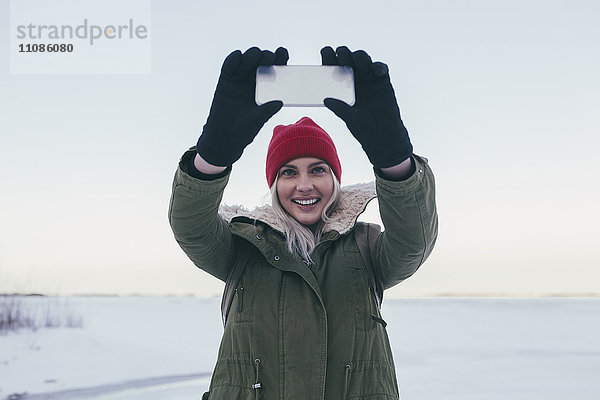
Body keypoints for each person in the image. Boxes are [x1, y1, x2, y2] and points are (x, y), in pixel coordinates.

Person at [169, 46, 438, 400]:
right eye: (288, 172)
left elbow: (413, 240)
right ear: (274, 184)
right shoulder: (242, 248)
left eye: (318, 169)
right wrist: (212, 157)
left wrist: (395, 161)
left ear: (335, 179)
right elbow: (191, 226)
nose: (305, 185)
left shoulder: (367, 248)